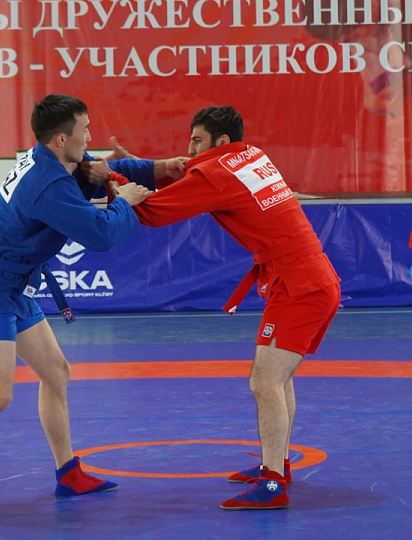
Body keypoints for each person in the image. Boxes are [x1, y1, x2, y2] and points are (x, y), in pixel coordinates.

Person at [0, 94, 154, 525]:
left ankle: (69, 473)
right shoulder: (49, 184)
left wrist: (158, 167)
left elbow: (93, 168)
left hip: (15, 287)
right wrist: (125, 202)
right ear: (61, 138)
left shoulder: (48, 159)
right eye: (85, 130)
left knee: (56, 373)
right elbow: (100, 236)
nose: (90, 138)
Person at [107, 106, 340, 510]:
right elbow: (199, 176)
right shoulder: (250, 156)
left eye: (197, 141)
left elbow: (151, 212)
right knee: (278, 380)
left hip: (300, 287)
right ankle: (277, 466)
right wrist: (140, 167)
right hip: (307, 279)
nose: (189, 149)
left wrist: (114, 179)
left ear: (221, 141)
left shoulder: (217, 174)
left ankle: (272, 484)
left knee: (265, 382)